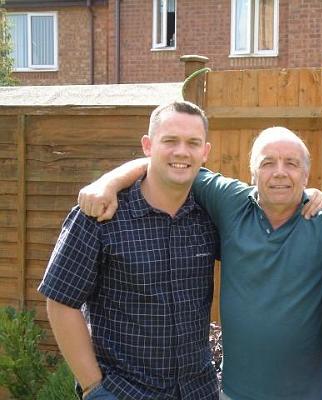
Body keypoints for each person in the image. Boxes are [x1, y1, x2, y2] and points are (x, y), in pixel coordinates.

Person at [78, 127, 322, 400]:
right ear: (252, 173)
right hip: (235, 394)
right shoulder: (230, 201)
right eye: (268, 163)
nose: (280, 172)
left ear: (307, 173)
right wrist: (108, 182)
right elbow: (167, 162)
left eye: (291, 164)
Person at [38, 101, 220, 400]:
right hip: (124, 392)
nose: (181, 152)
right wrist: (93, 388)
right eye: (170, 141)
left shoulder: (211, 213)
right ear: (148, 145)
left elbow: (268, 205)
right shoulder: (99, 214)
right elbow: (60, 302)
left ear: (205, 151)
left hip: (199, 391)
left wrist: (310, 198)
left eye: (192, 143)